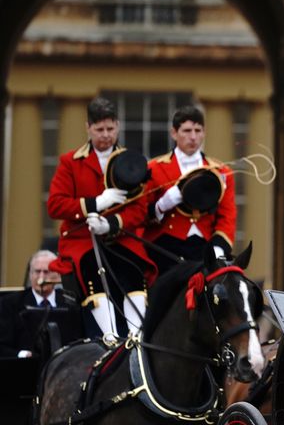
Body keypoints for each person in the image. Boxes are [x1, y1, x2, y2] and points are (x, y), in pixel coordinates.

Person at [47, 97, 157, 341]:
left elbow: (140, 209)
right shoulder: (70, 162)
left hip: (120, 238)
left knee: (133, 273)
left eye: (110, 128)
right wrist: (95, 204)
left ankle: (136, 336)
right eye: (99, 130)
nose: (105, 135)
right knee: (92, 272)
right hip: (82, 239)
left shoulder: (131, 161)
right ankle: (109, 336)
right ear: (88, 128)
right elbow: (55, 205)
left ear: (117, 126)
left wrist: (112, 223)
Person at [143, 105, 236, 274]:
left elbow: (227, 216)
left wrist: (219, 248)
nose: (193, 137)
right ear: (174, 133)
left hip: (206, 245)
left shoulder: (221, 171)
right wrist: (161, 205)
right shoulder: (154, 168)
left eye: (197, 130)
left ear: (204, 132)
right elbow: (140, 214)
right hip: (165, 247)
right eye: (186, 131)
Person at [0, 250, 69, 357]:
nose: (41, 277)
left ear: (57, 275)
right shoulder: (10, 303)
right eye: (37, 272)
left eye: (46, 272)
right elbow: (3, 345)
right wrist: (22, 354)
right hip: (24, 367)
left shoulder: (70, 302)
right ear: (30, 274)